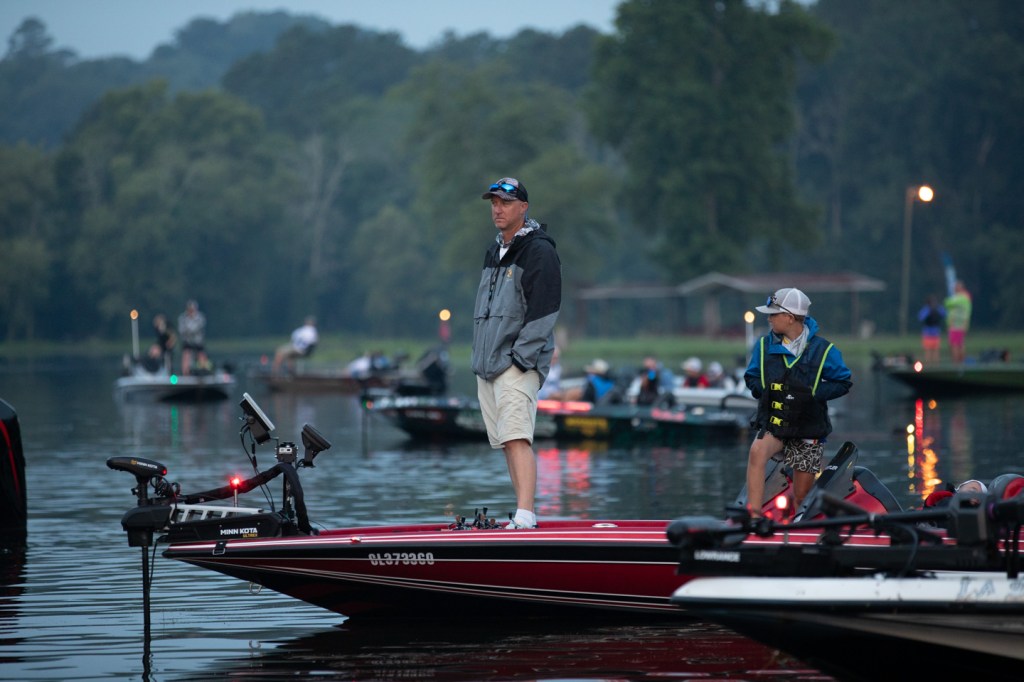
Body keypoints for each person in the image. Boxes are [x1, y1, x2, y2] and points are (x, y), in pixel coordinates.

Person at [471, 176, 561, 530]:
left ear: (523, 207)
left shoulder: (540, 251)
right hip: (489, 364)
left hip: (515, 364)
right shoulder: (493, 251)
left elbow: (545, 311)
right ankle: (522, 514)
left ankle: (525, 516)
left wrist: (520, 360)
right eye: (494, 203)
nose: (498, 209)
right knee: (507, 442)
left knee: (517, 437)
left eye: (506, 203)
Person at [744, 287, 852, 516]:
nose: (769, 319)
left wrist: (812, 393)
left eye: (773, 314)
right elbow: (751, 376)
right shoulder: (763, 346)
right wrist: (764, 391)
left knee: (801, 496)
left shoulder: (825, 350)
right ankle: (752, 517)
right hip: (775, 424)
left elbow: (844, 382)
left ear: (790, 317)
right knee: (757, 451)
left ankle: (797, 525)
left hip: (808, 428)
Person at [177, 299, 208, 376]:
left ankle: (203, 371)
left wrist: (189, 331)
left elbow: (198, 328)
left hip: (198, 341)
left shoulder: (200, 317)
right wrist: (189, 331)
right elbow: (181, 330)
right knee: (186, 354)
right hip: (187, 341)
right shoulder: (183, 318)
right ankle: (185, 373)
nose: (191, 311)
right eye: (189, 309)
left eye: (192, 309)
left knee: (201, 354)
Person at [944, 280, 972, 364]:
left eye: (955, 287)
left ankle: (956, 364)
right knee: (960, 344)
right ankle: (961, 364)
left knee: (954, 345)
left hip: (955, 325)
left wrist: (950, 302)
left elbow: (947, 303)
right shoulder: (966, 298)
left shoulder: (960, 298)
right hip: (962, 325)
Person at [917, 295, 946, 363]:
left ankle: (934, 365)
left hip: (933, 332)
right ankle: (930, 365)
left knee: (934, 350)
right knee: (930, 350)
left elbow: (944, 314)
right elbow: (921, 318)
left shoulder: (935, 308)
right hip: (929, 332)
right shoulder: (929, 309)